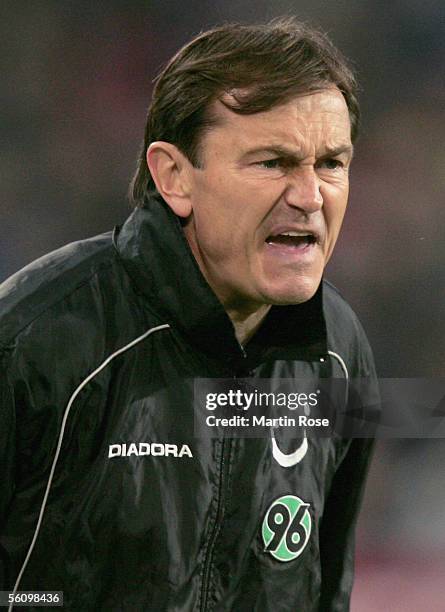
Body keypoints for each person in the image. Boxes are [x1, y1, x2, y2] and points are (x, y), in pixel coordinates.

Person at [0, 17, 378, 611]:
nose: (310, 196)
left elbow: (326, 589)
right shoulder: (36, 339)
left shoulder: (341, 351)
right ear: (174, 177)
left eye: (331, 162)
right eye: (273, 162)